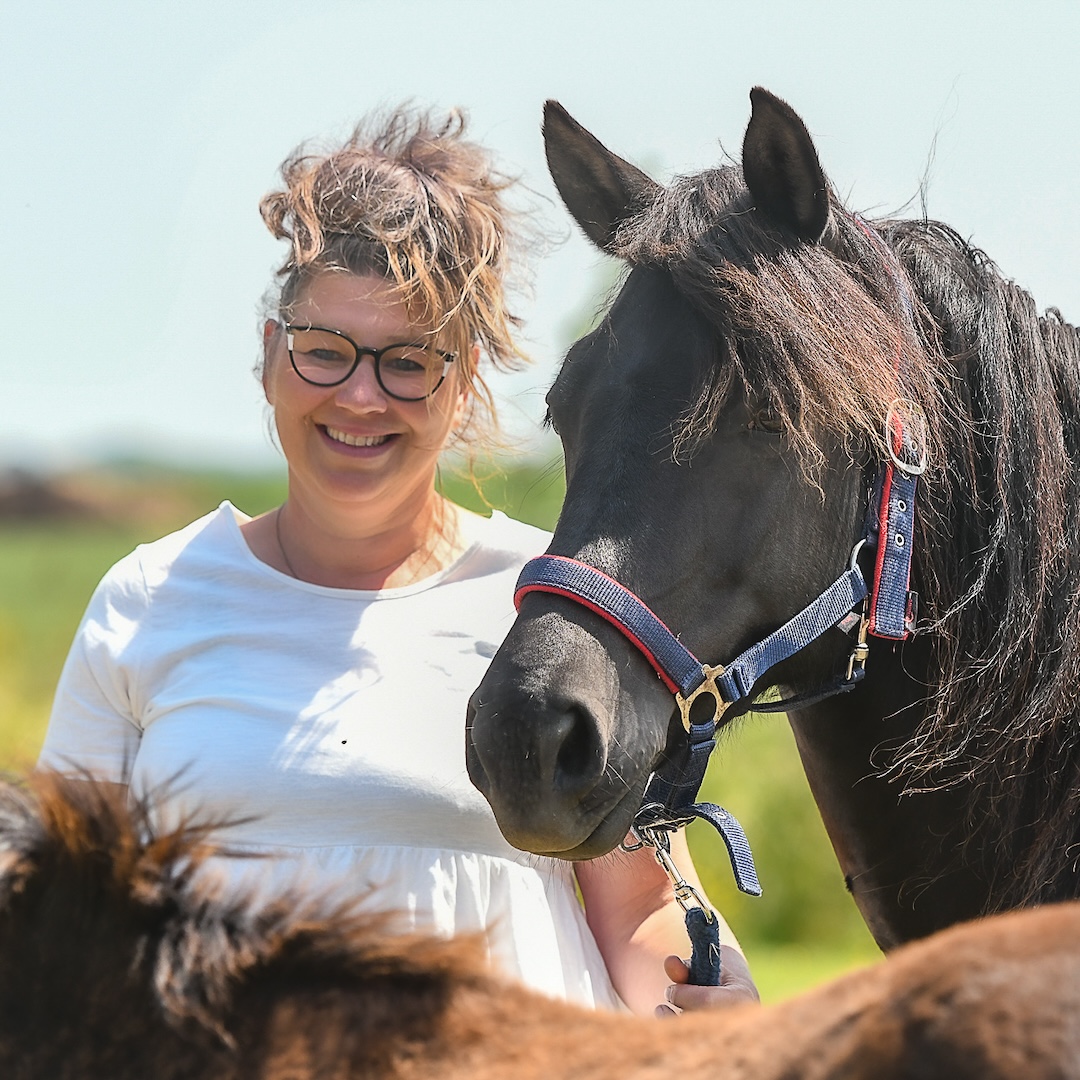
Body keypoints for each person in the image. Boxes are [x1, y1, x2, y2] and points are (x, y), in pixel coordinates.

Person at [38, 107, 756, 1017]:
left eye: (409, 362)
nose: (360, 397)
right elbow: (57, 929)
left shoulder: (557, 607)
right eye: (324, 351)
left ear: (463, 381)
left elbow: (643, 909)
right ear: (270, 355)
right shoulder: (148, 601)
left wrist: (713, 1017)